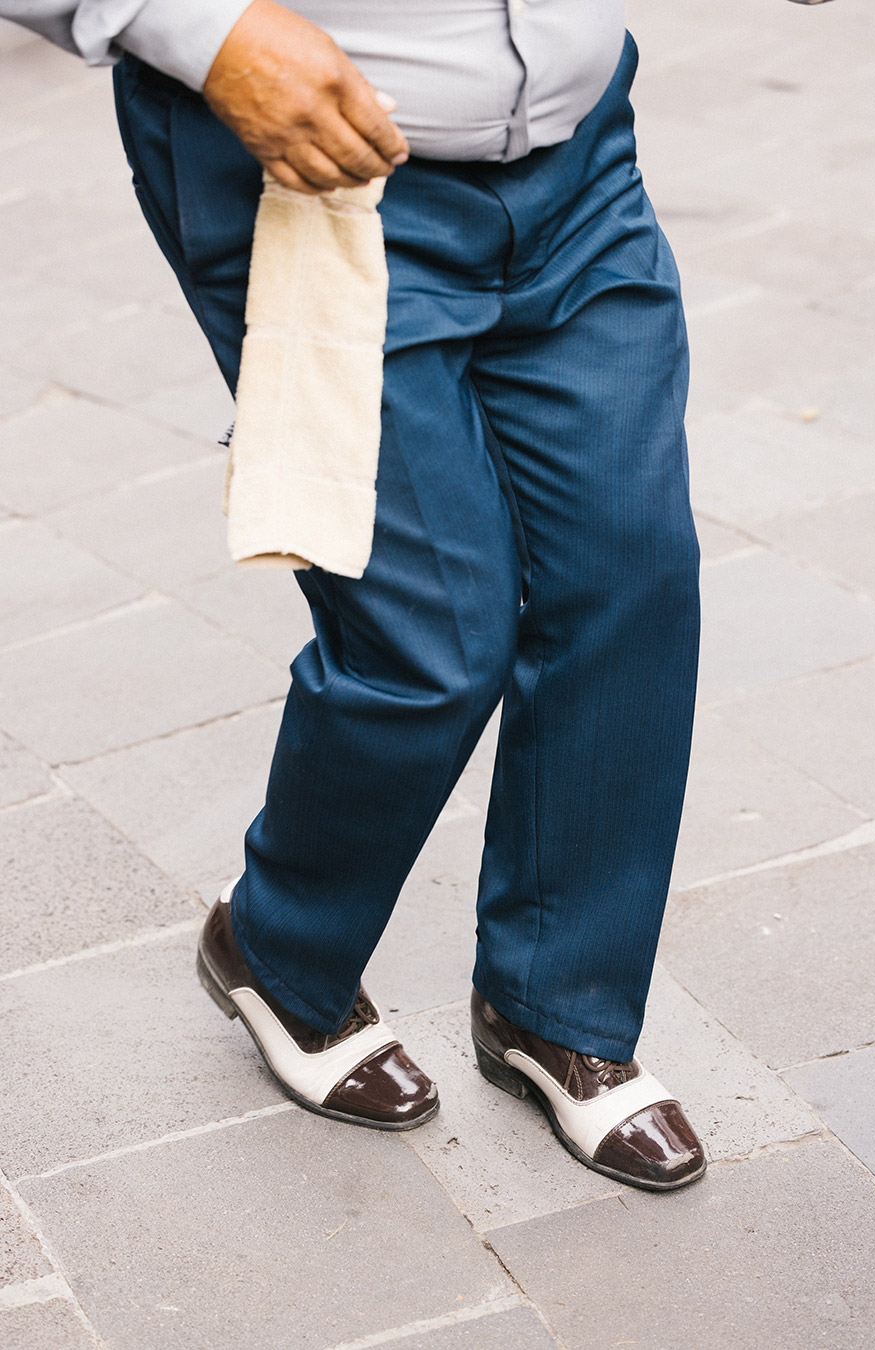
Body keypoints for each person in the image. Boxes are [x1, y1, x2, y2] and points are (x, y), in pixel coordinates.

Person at [5, 0, 708, 1190]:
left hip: (580, 159)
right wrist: (197, 26)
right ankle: (276, 946)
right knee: (431, 632)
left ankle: (560, 1007)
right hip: (312, 167)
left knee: (632, 573)